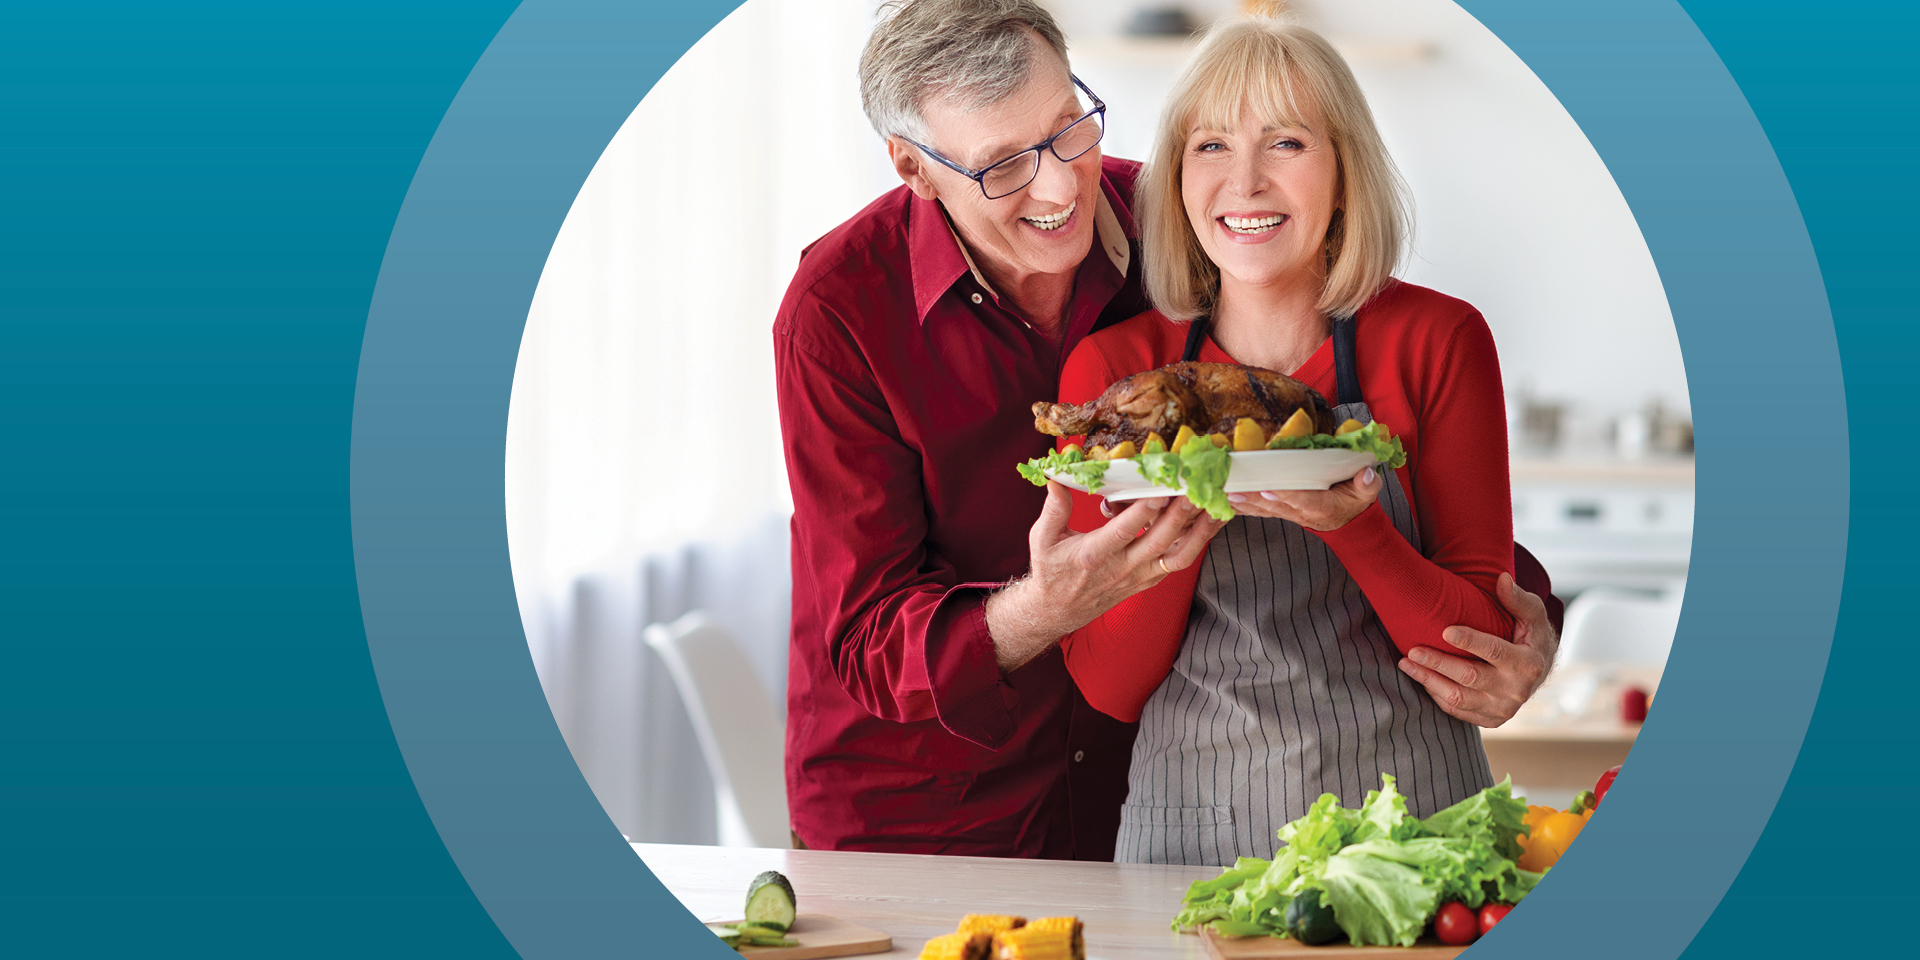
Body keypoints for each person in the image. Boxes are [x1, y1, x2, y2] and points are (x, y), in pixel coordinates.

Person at [774, 0, 1558, 861]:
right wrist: (1049, 606)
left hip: (1151, 789)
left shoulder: (1195, 219)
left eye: (1069, 129)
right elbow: (867, 632)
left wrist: (1518, 623)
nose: (1060, 186)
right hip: (943, 805)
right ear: (914, 169)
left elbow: (1451, 521)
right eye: (1002, 166)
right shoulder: (839, 313)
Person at [1049, 16, 1558, 866]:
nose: (1243, 181)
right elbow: (1109, 685)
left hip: (1414, 831)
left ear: (1345, 175)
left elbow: (1483, 646)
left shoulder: (1438, 340)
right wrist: (1178, 513)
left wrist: (1353, 526)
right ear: (1177, 179)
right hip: (1193, 833)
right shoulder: (1118, 376)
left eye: (1285, 142)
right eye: (1210, 145)